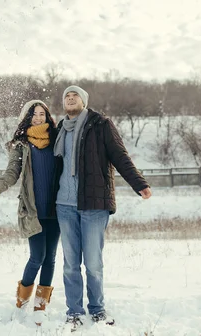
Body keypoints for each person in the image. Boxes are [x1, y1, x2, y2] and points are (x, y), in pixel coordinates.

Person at [52, 85, 152, 330]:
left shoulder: (100, 124)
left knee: (93, 262)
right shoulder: (59, 130)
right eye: (67, 96)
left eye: (75, 95)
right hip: (64, 205)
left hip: (93, 204)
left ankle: (97, 310)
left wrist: (139, 183)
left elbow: (119, 155)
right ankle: (74, 311)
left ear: (84, 101)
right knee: (70, 263)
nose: (70, 98)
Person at [0, 100, 60, 325]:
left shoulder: (58, 142)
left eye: (42, 114)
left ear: (48, 117)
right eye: (34, 115)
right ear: (27, 118)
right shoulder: (21, 145)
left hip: (57, 210)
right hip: (32, 210)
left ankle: (41, 307)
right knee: (37, 257)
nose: (39, 118)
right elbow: (11, 174)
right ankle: (21, 305)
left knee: (50, 259)